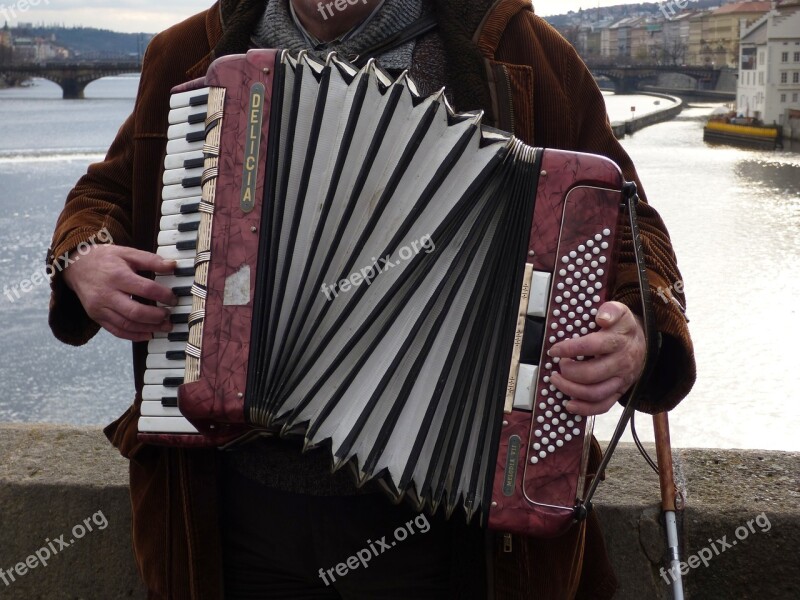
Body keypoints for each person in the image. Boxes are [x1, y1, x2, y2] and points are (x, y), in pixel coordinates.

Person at [47, 0, 696, 598]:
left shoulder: (516, 50)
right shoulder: (192, 52)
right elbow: (107, 193)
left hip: (443, 527)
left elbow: (631, 231)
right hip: (232, 514)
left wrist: (640, 330)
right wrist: (85, 258)